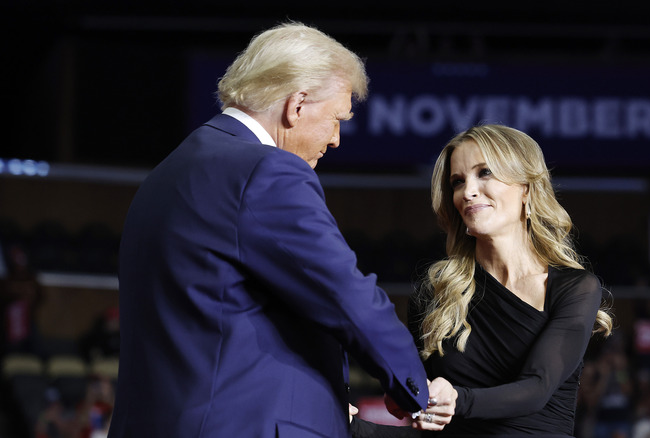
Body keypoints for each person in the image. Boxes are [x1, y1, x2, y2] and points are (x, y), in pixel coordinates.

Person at [108, 22, 453, 438]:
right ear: (297, 104)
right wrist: (412, 388)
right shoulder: (265, 170)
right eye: (336, 119)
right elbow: (344, 293)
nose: (337, 139)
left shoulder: (167, 173)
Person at [352, 124, 613, 437]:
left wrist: (457, 400)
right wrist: (350, 422)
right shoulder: (436, 293)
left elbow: (537, 387)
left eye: (484, 172)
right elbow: (427, 417)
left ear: (526, 188)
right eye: (457, 182)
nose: (468, 191)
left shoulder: (575, 287)